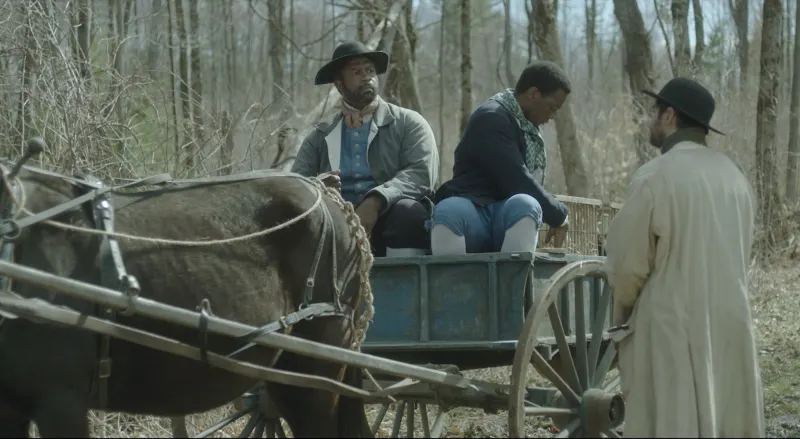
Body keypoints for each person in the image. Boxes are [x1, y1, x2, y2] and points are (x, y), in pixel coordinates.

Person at [603, 77, 765, 437]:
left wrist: (623, 318)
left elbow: (627, 266)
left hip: (671, 327)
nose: (650, 121)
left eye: (654, 113)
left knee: (674, 422)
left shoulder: (654, 177)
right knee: (726, 418)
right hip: (731, 323)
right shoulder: (736, 180)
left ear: (669, 116)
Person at [292, 41, 439, 257]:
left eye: (370, 70)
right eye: (356, 72)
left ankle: (404, 286)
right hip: (337, 220)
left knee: (409, 213)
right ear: (339, 85)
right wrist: (317, 186)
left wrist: (376, 201)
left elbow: (421, 173)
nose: (366, 76)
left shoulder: (409, 123)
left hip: (392, 216)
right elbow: (296, 184)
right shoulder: (319, 136)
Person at [428, 61, 570, 255]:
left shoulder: (525, 127)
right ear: (534, 94)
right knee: (448, 212)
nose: (552, 116)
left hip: (504, 214)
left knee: (526, 206)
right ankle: (455, 285)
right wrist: (558, 215)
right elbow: (516, 179)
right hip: (474, 210)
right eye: (552, 107)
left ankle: (513, 285)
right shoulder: (492, 117)